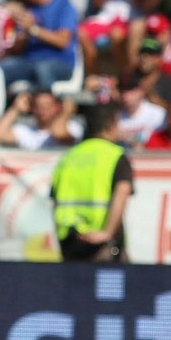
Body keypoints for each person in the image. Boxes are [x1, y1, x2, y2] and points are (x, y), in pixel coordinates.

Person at [50, 103, 133, 262]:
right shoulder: (115, 155)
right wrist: (108, 232)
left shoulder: (68, 156)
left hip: (70, 241)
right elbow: (122, 192)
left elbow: (54, 199)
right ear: (110, 124)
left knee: (74, 287)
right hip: (102, 244)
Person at [0, 0, 78, 88]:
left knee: (43, 70)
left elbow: (63, 41)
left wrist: (33, 29)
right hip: (29, 61)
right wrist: (23, 34)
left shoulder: (64, 5)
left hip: (60, 63)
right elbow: (18, 49)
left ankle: (44, 106)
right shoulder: (27, 8)